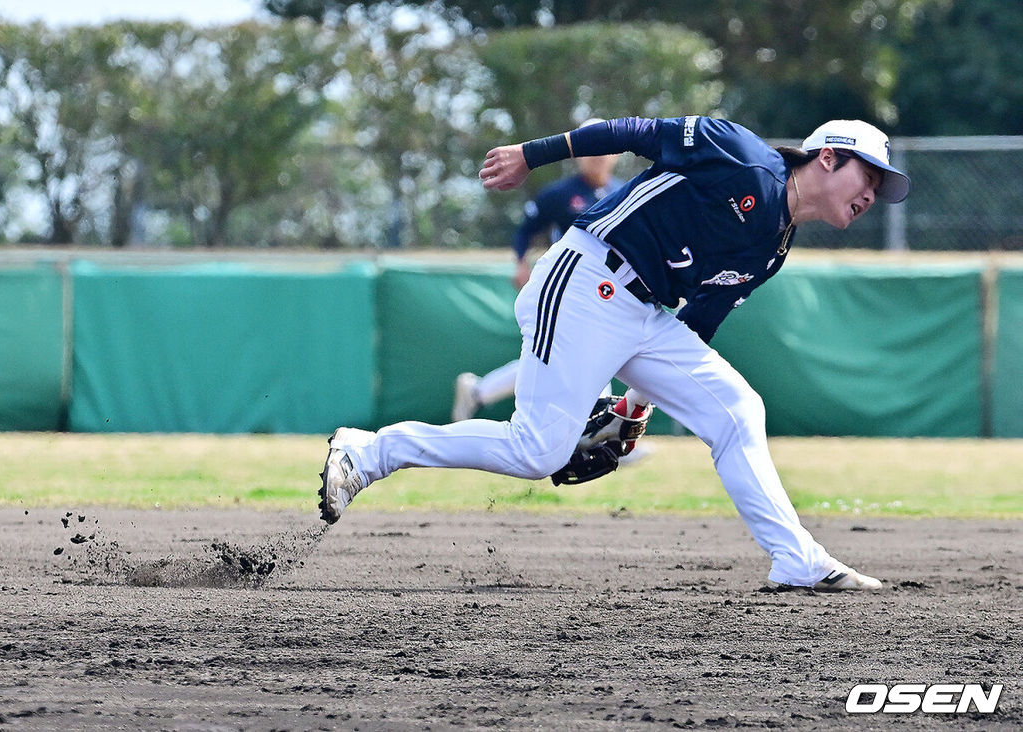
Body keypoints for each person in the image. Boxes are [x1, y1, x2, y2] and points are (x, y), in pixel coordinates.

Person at [319, 115, 910, 592]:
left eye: (880, 189)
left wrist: (636, 404)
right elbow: (629, 132)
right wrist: (531, 154)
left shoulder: (775, 246)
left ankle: (797, 562)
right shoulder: (739, 152)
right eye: (870, 177)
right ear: (828, 156)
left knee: (735, 409)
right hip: (586, 277)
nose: (872, 195)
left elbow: (700, 317)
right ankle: (369, 452)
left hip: (646, 315)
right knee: (537, 449)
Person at [452, 118, 623, 423]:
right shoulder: (558, 193)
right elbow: (525, 230)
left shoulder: (624, 192)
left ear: (617, 152)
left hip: (610, 290)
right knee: (589, 353)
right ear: (577, 151)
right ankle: (602, 430)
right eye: (590, 145)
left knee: (560, 359)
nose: (597, 153)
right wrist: (520, 262)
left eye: (605, 146)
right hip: (570, 286)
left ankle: (478, 391)